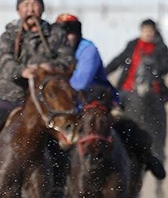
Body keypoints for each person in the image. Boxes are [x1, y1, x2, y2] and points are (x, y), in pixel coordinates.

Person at [0, 0, 76, 198]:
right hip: (11, 96)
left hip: (45, 103)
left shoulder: (55, 34)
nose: (30, 9)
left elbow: (68, 59)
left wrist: (50, 67)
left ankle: (57, 189)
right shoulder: (9, 33)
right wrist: (21, 71)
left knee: (61, 142)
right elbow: (1, 59)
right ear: (18, 10)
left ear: (42, 9)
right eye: (26, 6)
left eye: (35, 5)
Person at [56, 13, 165, 179]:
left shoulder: (87, 50)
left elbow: (79, 83)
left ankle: (147, 156)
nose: (66, 37)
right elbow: (118, 60)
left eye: (70, 33)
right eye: (62, 34)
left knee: (123, 124)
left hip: (98, 100)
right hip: (70, 104)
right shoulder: (133, 45)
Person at [105, 18, 168, 105]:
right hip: (127, 88)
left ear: (154, 32)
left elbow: (164, 67)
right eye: (145, 31)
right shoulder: (133, 46)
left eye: (150, 31)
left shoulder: (161, 49)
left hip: (152, 91)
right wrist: (103, 73)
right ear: (141, 32)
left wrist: (153, 66)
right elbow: (118, 61)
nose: (148, 34)